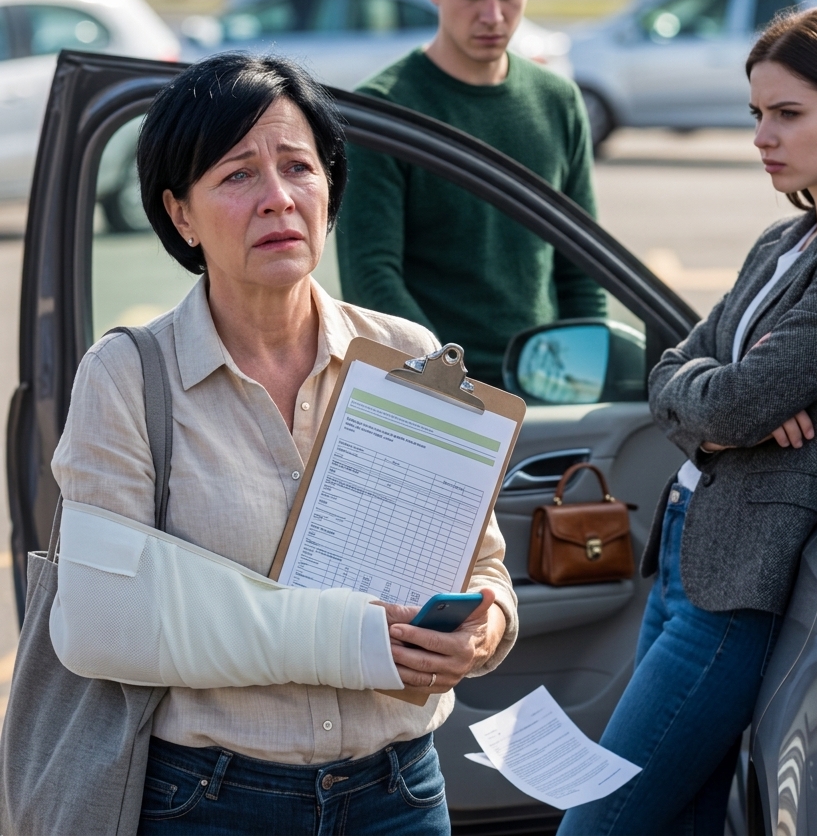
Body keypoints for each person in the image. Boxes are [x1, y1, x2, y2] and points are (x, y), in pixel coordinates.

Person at [50, 52, 518, 835]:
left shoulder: (408, 353)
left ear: (329, 188)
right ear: (180, 214)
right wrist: (344, 639)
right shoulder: (128, 377)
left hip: (400, 793)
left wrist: (486, 629)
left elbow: (484, 562)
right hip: (209, 800)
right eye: (236, 175)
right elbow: (99, 622)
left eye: (298, 166)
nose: (277, 198)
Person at [558, 7, 817, 835]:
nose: (763, 136)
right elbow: (675, 371)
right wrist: (725, 409)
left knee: (597, 821)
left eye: (788, 114)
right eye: (757, 115)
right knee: (684, 818)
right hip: (688, 553)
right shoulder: (782, 240)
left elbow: (727, 399)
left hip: (736, 591)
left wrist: (726, 405)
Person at [337, 0, 605, 388]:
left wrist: (582, 377)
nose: (493, 14)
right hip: (430, 394)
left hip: (548, 390)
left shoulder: (558, 100)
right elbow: (372, 282)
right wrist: (450, 384)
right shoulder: (383, 109)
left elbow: (582, 268)